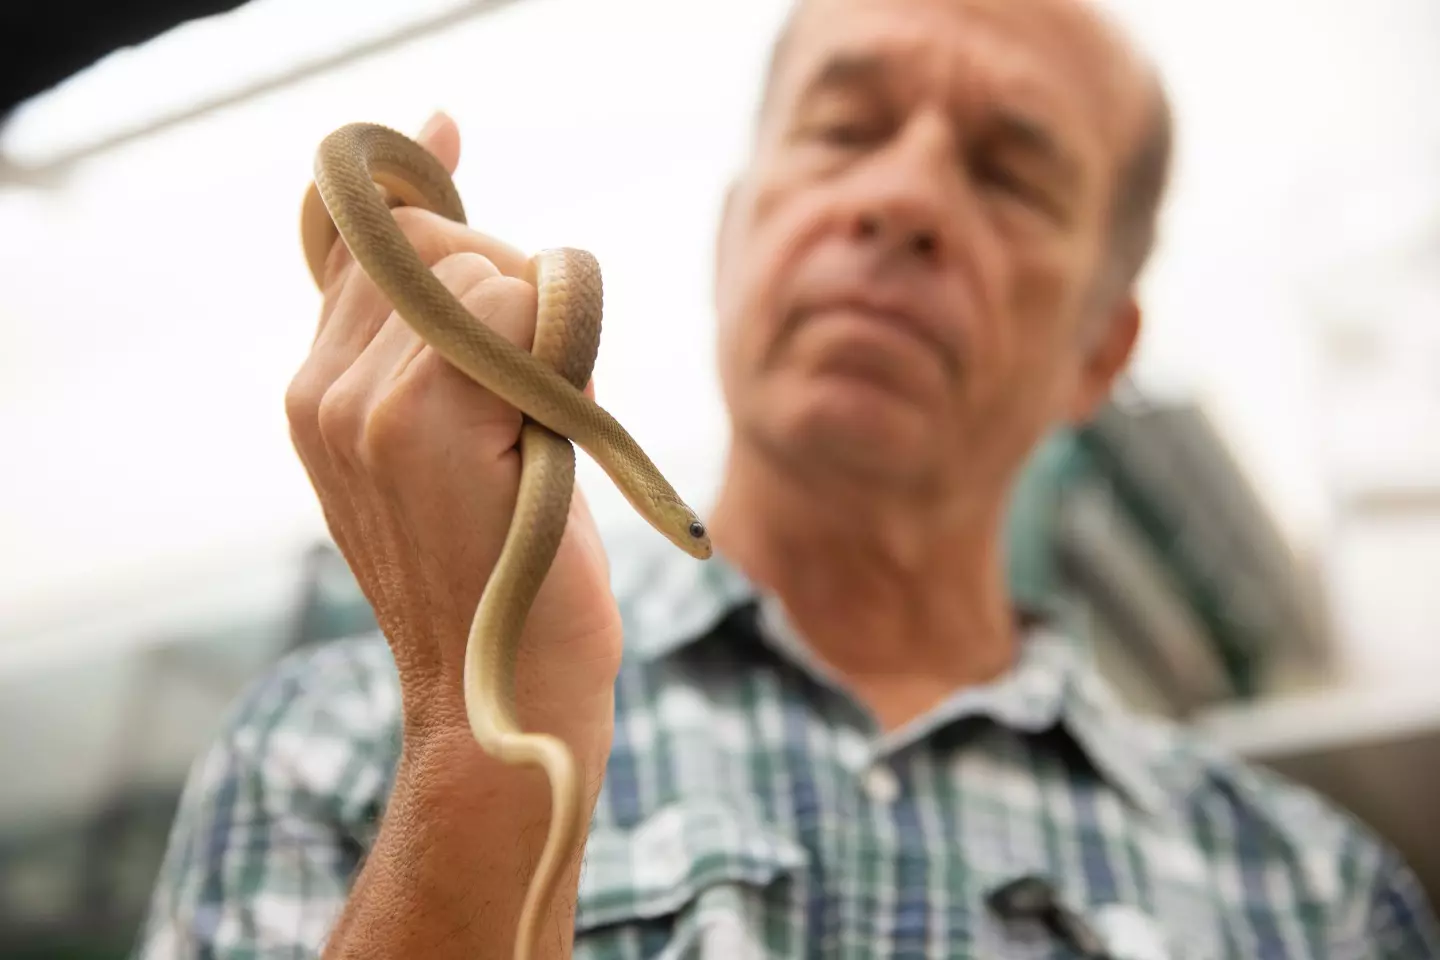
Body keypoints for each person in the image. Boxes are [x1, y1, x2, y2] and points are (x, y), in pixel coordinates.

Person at [134, 0, 1440, 956]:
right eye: (845, 128)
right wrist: (479, 739)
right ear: (731, 237)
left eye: (1007, 174)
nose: (902, 198)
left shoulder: (1318, 899)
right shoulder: (332, 746)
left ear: (1101, 350)